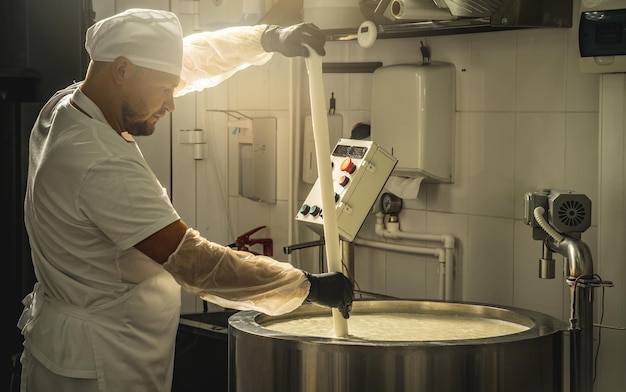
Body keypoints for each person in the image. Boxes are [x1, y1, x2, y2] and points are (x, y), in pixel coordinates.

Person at [17, 8, 353, 392]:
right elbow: (196, 264)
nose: (172, 103)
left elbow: (193, 57)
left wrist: (266, 38)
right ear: (123, 71)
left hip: (81, 343)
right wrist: (306, 287)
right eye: (165, 90)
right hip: (100, 366)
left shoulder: (71, 102)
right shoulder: (99, 163)